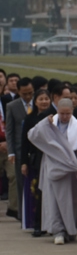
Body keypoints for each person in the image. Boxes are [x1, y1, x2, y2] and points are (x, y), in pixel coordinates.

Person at [26, 98, 77, 244]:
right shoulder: (49, 123)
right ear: (57, 111)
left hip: (70, 168)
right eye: (62, 113)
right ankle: (58, 230)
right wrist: (44, 123)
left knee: (71, 201)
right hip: (52, 166)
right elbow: (32, 135)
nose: (65, 116)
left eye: (68, 114)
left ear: (72, 112)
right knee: (53, 201)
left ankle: (69, 230)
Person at [20, 89, 50, 234]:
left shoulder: (53, 117)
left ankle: (47, 224)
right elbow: (24, 142)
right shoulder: (30, 119)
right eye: (41, 99)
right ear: (35, 101)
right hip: (35, 160)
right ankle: (37, 224)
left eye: (46, 99)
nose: (44, 102)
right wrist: (23, 162)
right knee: (37, 192)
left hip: (50, 158)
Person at [6, 77, 35, 220]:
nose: (28, 96)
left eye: (30, 93)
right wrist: (11, 152)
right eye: (25, 94)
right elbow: (9, 131)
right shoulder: (12, 106)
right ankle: (22, 214)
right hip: (18, 151)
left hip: (35, 150)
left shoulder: (39, 103)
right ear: (18, 91)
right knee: (20, 182)